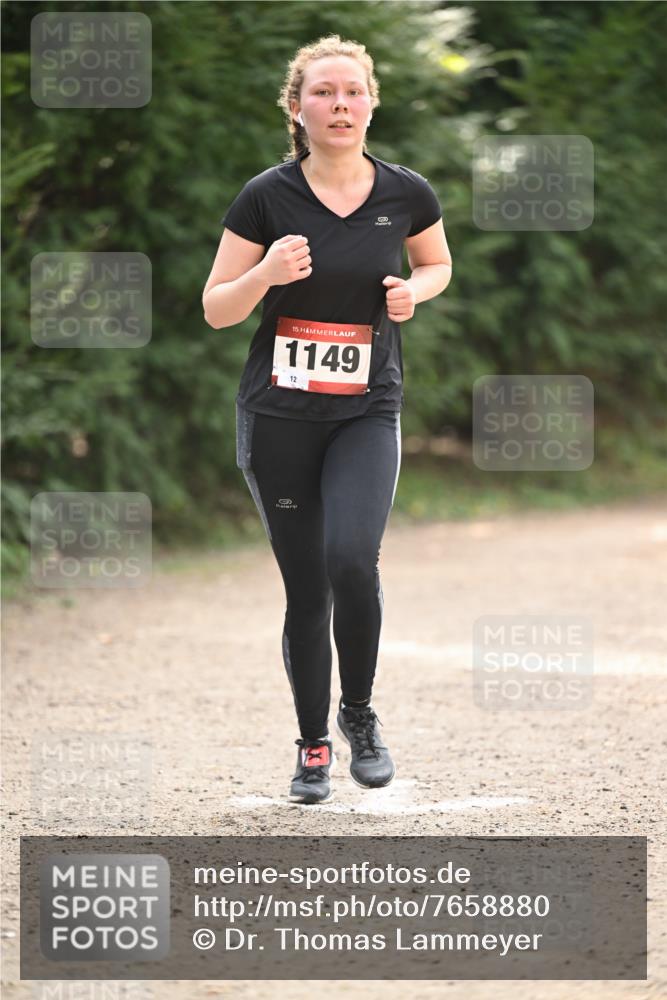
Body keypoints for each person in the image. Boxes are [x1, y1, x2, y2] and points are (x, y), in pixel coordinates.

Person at [203, 34, 452, 805]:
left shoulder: (405, 193)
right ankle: (312, 744)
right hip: (279, 414)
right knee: (307, 589)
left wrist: (415, 292)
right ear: (296, 108)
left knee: (351, 557)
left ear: (371, 104)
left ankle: (359, 715)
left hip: (366, 410)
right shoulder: (264, 196)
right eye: (322, 92)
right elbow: (216, 308)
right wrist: (264, 272)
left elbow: (436, 263)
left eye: (352, 92)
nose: (339, 105)